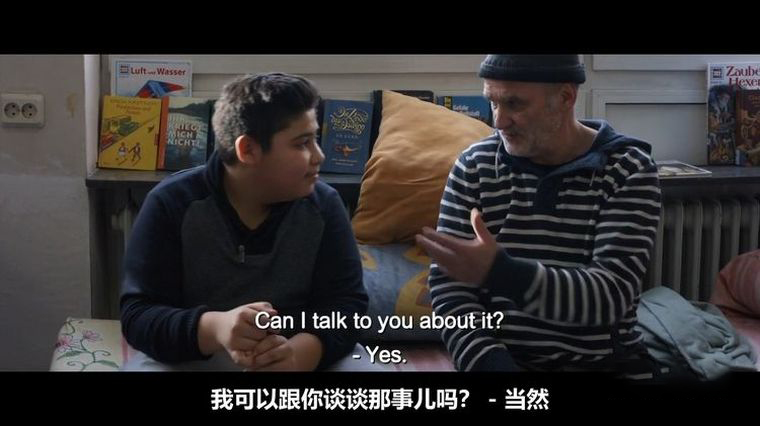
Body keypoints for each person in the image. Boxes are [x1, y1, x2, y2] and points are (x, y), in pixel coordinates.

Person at [416, 55, 665, 379]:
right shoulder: (474, 167)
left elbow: (609, 297)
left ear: (565, 97)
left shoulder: (628, 170)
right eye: (493, 102)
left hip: (604, 367)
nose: (499, 121)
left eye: (514, 104)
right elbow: (451, 295)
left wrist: (500, 272)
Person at [120, 72, 369, 371]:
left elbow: (348, 307)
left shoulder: (324, 206)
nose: (319, 156)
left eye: (314, 139)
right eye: (302, 143)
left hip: (299, 352)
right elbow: (139, 315)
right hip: (195, 353)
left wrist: (299, 355)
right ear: (248, 150)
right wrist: (216, 327)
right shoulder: (171, 203)